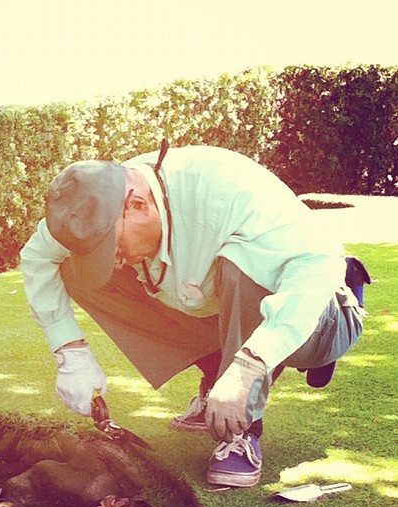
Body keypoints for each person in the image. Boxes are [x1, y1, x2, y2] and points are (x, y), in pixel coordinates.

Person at [20, 142, 365, 487]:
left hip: (320, 314)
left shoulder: (229, 191)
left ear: (137, 205)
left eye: (115, 248)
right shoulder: (92, 205)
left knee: (241, 265)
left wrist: (247, 368)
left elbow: (318, 266)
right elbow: (37, 257)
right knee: (74, 267)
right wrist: (70, 351)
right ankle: (217, 374)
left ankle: (241, 428)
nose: (116, 261)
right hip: (212, 306)